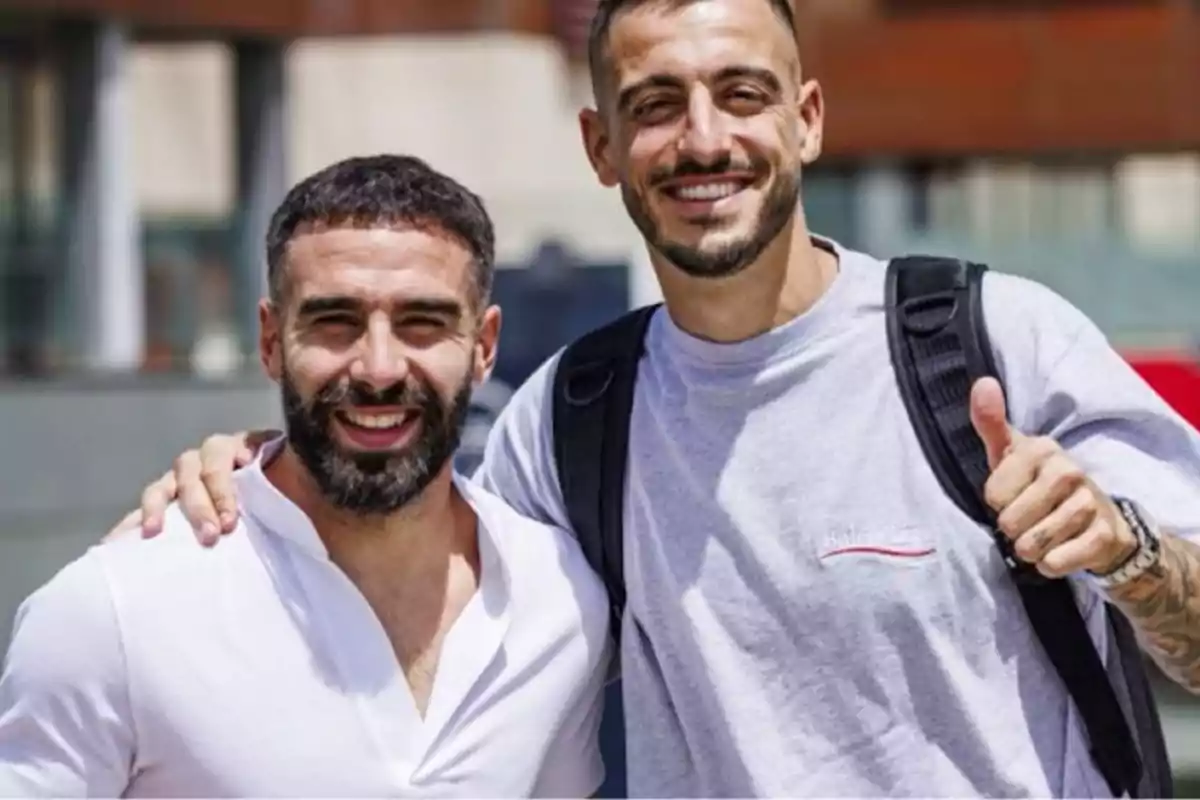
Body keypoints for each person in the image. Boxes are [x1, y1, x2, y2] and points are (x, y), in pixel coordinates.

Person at [112, 0, 1200, 796]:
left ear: (807, 120)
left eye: (741, 95)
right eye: (655, 105)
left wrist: (1128, 554)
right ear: (601, 146)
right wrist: (261, 472)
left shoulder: (994, 343)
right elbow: (402, 568)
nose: (704, 140)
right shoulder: (569, 418)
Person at [0, 155, 610, 797]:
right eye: (335, 322)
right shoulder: (112, 614)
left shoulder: (562, 599)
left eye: (421, 323)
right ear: (270, 340)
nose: (378, 368)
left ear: (483, 347)